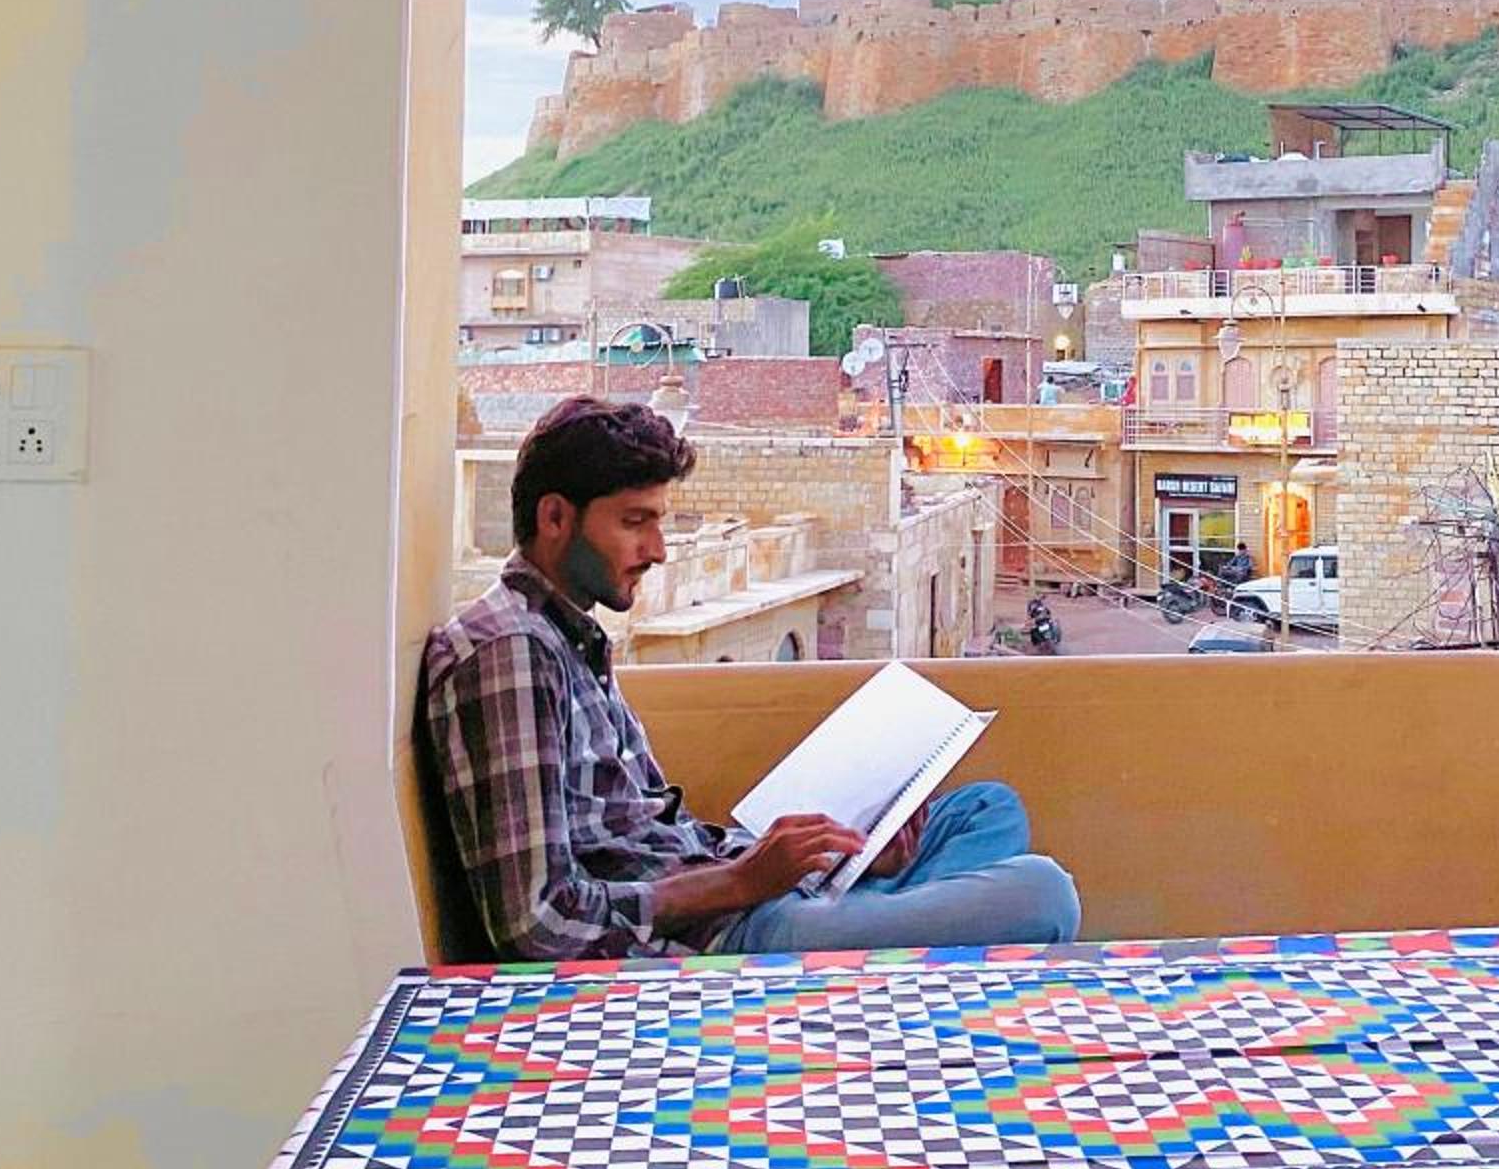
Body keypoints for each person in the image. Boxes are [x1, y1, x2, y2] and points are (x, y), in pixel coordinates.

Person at [418, 396, 1081, 960]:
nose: (657, 551)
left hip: (732, 887)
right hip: (726, 935)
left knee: (986, 810)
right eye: (634, 522)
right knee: (1045, 894)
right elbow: (538, 923)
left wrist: (834, 856)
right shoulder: (510, 653)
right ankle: (867, 932)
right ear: (555, 518)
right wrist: (743, 883)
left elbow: (653, 831)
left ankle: (867, 914)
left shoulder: (569, 635)